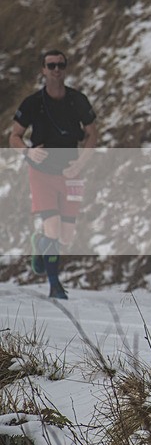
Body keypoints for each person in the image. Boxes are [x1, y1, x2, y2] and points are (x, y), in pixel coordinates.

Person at [9, 49, 99, 299]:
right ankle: (54, 285)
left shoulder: (77, 100)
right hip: (41, 172)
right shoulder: (33, 103)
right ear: (43, 70)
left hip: (71, 173)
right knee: (53, 227)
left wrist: (80, 163)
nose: (56, 70)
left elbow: (92, 134)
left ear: (65, 68)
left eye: (60, 65)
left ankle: (40, 245)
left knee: (67, 236)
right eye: (51, 65)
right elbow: (14, 136)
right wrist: (27, 153)